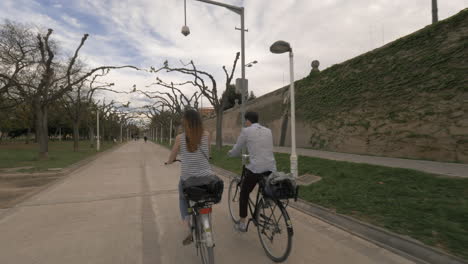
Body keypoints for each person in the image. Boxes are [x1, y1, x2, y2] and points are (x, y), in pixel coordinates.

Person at [166, 109, 212, 245]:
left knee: (182, 197)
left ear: (185, 122)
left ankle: (187, 226)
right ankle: (207, 221)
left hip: (188, 180)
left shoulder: (180, 138)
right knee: (206, 199)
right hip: (207, 178)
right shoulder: (207, 135)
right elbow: (208, 153)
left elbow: (173, 155)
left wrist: (169, 162)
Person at [228, 112, 277, 232]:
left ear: (248, 121)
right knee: (264, 188)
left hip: (256, 168)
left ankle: (242, 224)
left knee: (244, 193)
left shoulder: (246, 131)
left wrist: (231, 153)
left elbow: (237, 148)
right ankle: (267, 201)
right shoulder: (268, 131)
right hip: (271, 167)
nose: (245, 123)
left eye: (245, 121)